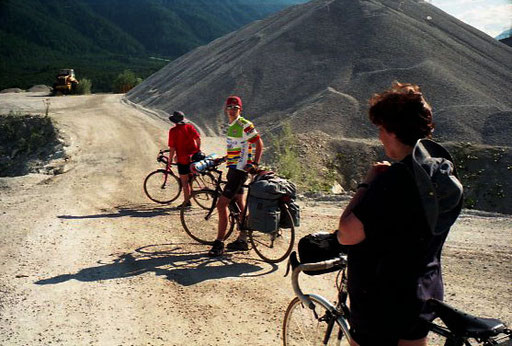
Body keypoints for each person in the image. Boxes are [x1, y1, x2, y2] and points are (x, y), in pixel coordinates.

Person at [336, 82, 463, 346]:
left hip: (382, 301)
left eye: (381, 129)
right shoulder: (437, 172)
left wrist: (367, 183)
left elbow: (346, 234)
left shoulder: (394, 181)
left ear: (393, 132)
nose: (379, 136)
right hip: (423, 292)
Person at [208, 96, 264, 257]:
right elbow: (237, 148)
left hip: (239, 171)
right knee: (239, 201)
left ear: (240, 109)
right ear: (226, 110)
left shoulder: (244, 124)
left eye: (235, 107)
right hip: (233, 168)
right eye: (229, 107)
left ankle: (219, 243)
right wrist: (224, 158)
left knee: (221, 205)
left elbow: (259, 144)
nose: (232, 109)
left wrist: (255, 163)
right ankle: (243, 239)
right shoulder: (232, 125)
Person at [167, 111, 201, 208]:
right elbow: (198, 139)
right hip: (193, 158)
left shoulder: (173, 131)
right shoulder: (189, 127)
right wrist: (197, 150)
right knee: (190, 178)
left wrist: (170, 160)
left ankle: (187, 202)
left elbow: (172, 148)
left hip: (183, 160)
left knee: (184, 183)